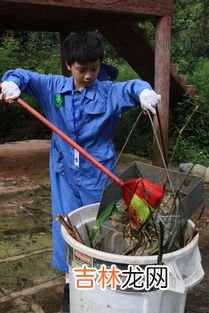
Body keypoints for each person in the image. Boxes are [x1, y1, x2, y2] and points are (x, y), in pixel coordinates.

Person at [0, 31, 161, 313]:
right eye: (82, 69)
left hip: (98, 174)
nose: (88, 75)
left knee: (98, 229)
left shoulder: (108, 92)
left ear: (100, 65)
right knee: (66, 230)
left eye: (94, 69)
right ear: (68, 65)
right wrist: (11, 83)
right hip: (64, 174)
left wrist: (144, 92)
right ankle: (70, 288)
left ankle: (100, 288)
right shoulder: (53, 88)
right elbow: (22, 75)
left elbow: (131, 87)